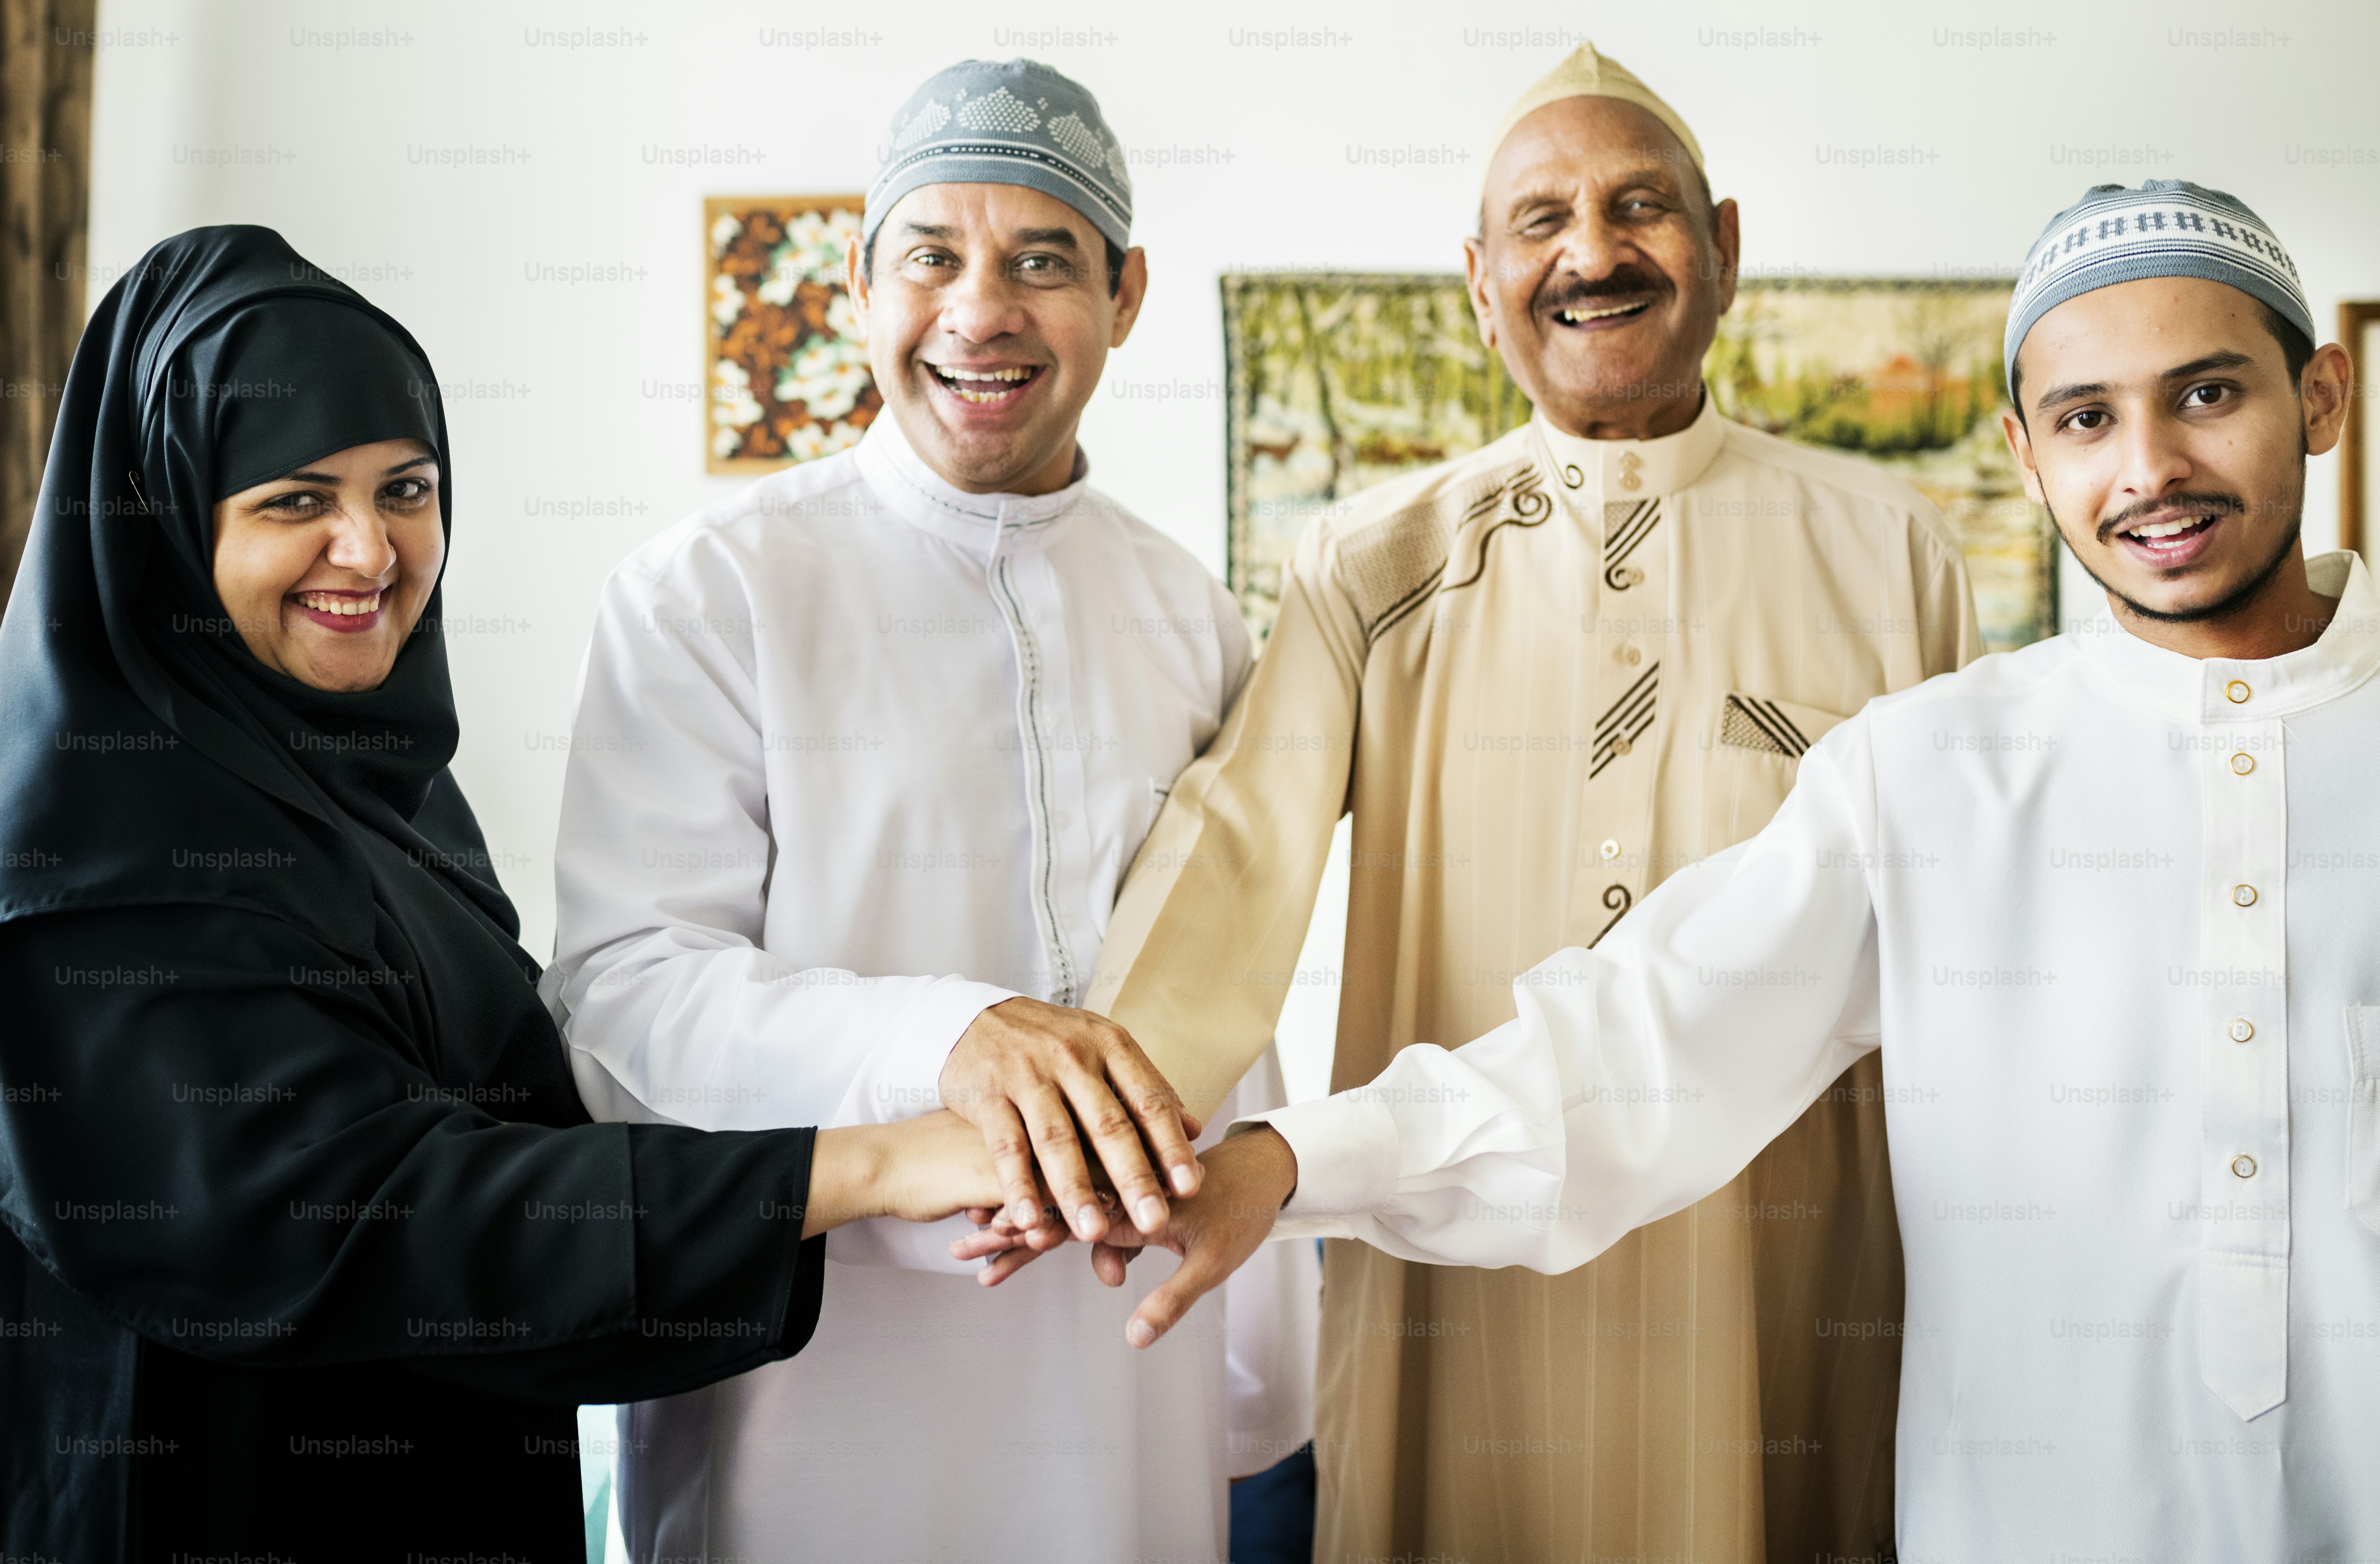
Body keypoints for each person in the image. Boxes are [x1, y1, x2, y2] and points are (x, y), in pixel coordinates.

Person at [990, 178, 2375, 1559]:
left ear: (2319, 398)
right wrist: (1289, 1161)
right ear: (2023, 451)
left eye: (2205, 396)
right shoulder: (1930, 769)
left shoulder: (1885, 560)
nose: (2148, 469)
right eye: (2085, 418)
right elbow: (1638, 1045)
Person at [1064, 40, 1977, 1564]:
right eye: (1541, 221)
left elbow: (1966, 941)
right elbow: (1236, 858)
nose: (1593, 252)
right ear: (1481, 286)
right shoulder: (1373, 560)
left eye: (1640, 207)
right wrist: (1099, 1125)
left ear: (1724, 247)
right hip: (1453, 1271)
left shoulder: (1893, 550)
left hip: (1780, 1268)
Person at [0, 226, 1003, 1563]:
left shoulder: (385, 793)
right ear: (168, 521)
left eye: (406, 489)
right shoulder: (95, 838)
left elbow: (516, 1111)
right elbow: (362, 1213)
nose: (370, 550)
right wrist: (866, 1162)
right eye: (295, 500)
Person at [542, 59, 1316, 1563]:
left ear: (1126, 296)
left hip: (1120, 1374)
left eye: (1043, 262)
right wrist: (950, 1036)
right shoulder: (711, 591)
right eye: (932, 257)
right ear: (857, 285)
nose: (980, 312)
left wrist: (1260, 1376)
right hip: (811, 1390)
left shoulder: (1187, 611)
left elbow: (1229, 984)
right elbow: (625, 995)